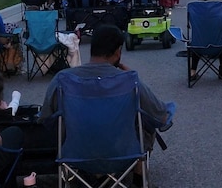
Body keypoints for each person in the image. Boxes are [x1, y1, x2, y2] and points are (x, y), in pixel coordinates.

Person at [38, 24, 174, 155]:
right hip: (122, 154)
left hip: (76, 153)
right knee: (144, 118)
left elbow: (45, 118)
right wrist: (134, 77)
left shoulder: (63, 79)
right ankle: (139, 173)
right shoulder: (129, 80)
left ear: (92, 48)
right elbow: (161, 117)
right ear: (118, 51)